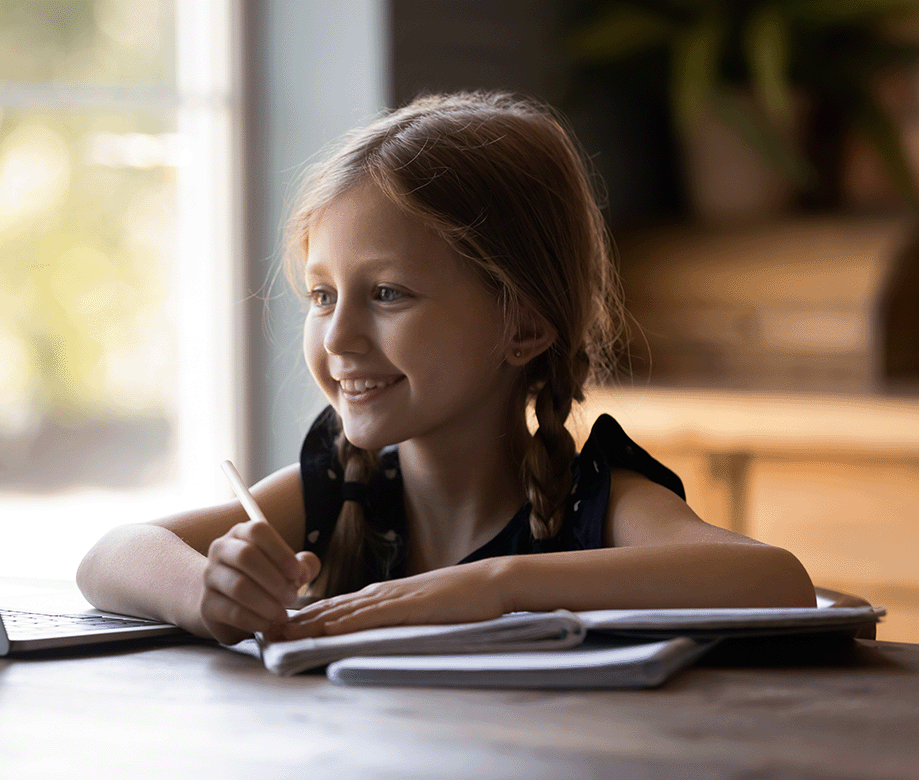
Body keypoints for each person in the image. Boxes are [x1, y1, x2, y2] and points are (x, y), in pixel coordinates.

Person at [77, 91, 815, 646]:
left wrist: (494, 587)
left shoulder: (599, 501)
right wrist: (207, 590)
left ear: (522, 323)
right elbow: (110, 557)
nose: (339, 337)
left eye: (388, 294)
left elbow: (776, 579)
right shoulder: (335, 488)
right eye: (322, 295)